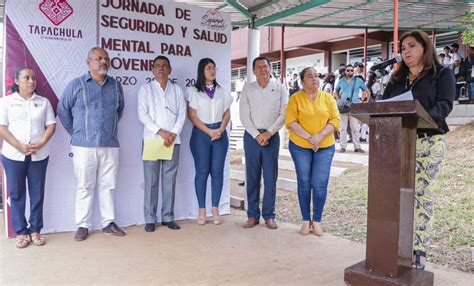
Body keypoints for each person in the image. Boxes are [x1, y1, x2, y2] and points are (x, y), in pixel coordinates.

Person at [382, 30, 455, 270]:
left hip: (428, 142)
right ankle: (395, 245)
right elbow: (384, 106)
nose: (406, 51)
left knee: (422, 196)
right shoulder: (396, 79)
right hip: (399, 142)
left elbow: (444, 105)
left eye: (412, 46)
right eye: (403, 48)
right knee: (396, 196)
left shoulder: (441, 74)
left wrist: (419, 119)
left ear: (425, 47)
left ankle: (419, 251)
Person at [58, 47, 125, 241]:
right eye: (98, 59)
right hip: (83, 145)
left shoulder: (116, 85)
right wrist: (78, 133)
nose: (103, 62)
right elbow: (63, 111)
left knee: (109, 185)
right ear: (89, 63)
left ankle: (108, 222)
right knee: (84, 186)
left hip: (110, 144)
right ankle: (83, 224)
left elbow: (119, 111)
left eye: (106, 59)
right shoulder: (76, 85)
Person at [0, 68, 56, 248]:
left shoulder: (43, 102)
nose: (31, 81)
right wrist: (19, 146)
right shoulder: (6, 102)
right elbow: (2, 127)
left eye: (33, 78)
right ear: (17, 81)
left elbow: (51, 126)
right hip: (13, 155)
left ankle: (35, 230)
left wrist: (41, 143)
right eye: (26, 78)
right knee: (17, 194)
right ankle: (21, 232)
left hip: (39, 155)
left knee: (37, 194)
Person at [285, 67, 340, 236]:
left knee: (320, 183)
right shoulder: (295, 98)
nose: (314, 78)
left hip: (325, 147)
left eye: (316, 76)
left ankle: (316, 220)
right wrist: (311, 137)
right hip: (300, 146)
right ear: (302, 82)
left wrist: (320, 136)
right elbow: (291, 122)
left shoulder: (328, 98)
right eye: (309, 76)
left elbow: (335, 120)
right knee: (304, 182)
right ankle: (305, 220)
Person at [138, 56, 186, 232]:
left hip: (173, 141)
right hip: (152, 140)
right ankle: (150, 218)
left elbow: (182, 114)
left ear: (170, 70)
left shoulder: (177, 90)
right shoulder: (145, 89)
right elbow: (142, 114)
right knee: (151, 181)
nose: (161, 68)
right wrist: (161, 132)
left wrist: (172, 133)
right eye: (157, 66)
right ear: (152, 70)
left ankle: (168, 217)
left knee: (169, 180)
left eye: (164, 66)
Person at [239, 56, 288, 229]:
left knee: (270, 178)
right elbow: (244, 115)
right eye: (258, 67)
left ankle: (269, 215)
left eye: (265, 66)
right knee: (252, 177)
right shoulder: (247, 89)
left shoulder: (280, 88)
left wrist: (269, 132)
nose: (262, 70)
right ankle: (252, 215)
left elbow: (284, 113)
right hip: (252, 137)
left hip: (272, 137)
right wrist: (256, 135)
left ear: (270, 68)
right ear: (253, 71)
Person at [186, 58, 233, 225]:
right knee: (202, 172)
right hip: (201, 134)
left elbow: (227, 113)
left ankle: (215, 208)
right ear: (202, 71)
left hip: (219, 135)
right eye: (208, 68)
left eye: (214, 68)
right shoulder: (193, 91)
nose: (212, 71)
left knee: (218, 172)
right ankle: (202, 210)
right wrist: (208, 131)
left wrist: (221, 129)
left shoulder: (223, 91)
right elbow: (191, 115)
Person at [334, 64, 369, 153]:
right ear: (345, 72)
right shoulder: (341, 81)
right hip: (343, 106)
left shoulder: (358, 80)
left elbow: (366, 90)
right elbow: (336, 91)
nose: (350, 72)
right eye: (348, 70)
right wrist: (338, 100)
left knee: (355, 127)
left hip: (354, 106)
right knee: (343, 127)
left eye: (351, 70)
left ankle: (357, 147)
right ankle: (342, 146)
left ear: (354, 71)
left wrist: (362, 100)